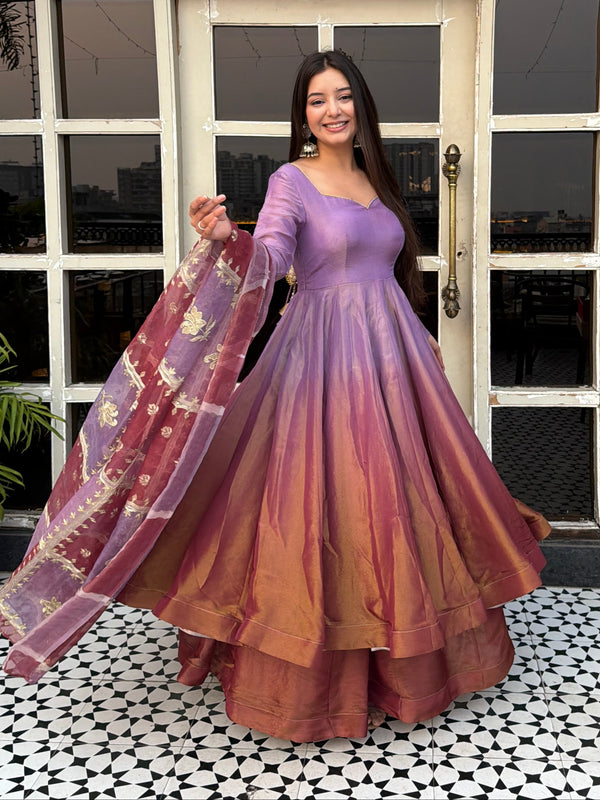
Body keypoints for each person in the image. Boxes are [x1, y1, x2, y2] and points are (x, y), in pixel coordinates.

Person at [0, 50, 549, 742]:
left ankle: (404, 666)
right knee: (323, 506)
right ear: (303, 115)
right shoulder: (292, 180)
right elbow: (273, 257)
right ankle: (315, 680)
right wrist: (231, 238)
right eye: (318, 100)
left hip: (395, 359)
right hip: (321, 359)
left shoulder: (372, 178)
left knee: (402, 505)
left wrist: (420, 337)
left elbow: (387, 270)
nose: (333, 110)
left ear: (361, 105)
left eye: (343, 96)